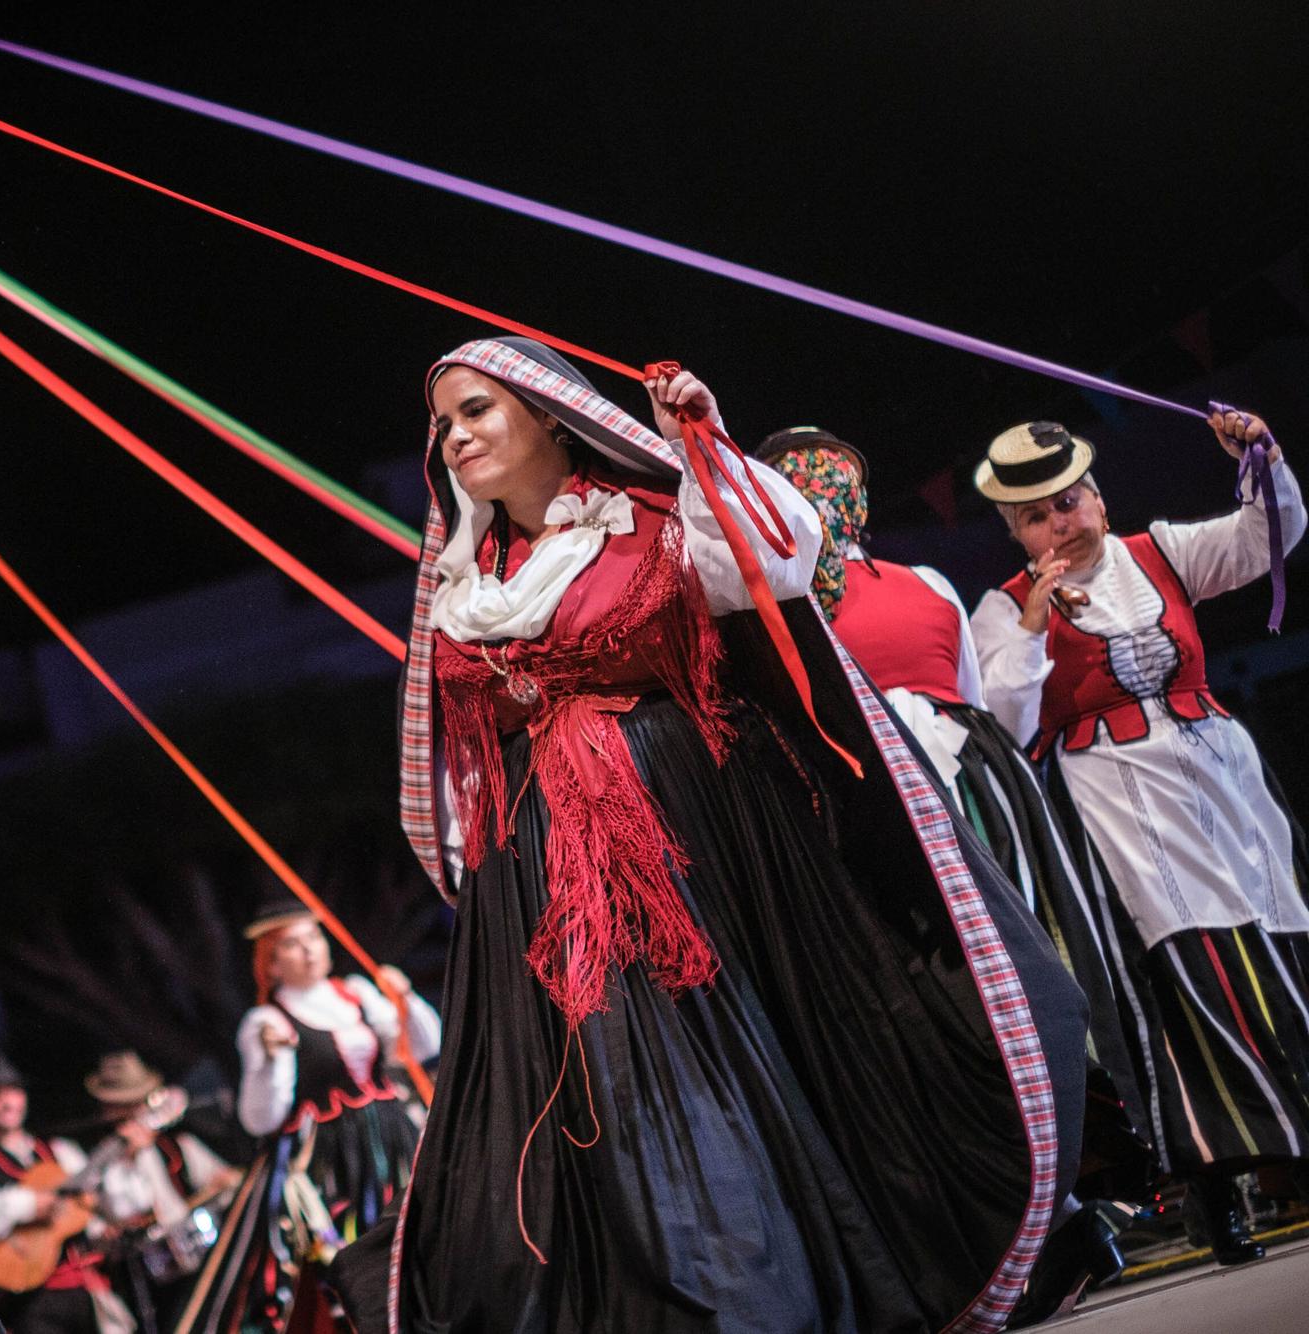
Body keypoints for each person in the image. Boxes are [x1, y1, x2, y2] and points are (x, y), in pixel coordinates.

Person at [331, 336, 1093, 1332]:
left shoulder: (649, 522)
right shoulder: (465, 578)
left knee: (738, 1055)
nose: (453, 434)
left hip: (699, 844)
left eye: (475, 409)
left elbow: (777, 560)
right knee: (608, 1085)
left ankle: (766, 1289)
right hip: (547, 873)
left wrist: (699, 446)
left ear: (549, 411)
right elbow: (447, 753)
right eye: (442, 421)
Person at [758, 428, 1153, 1213]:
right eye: (800, 484)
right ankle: (1010, 1193)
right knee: (949, 993)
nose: (825, 497)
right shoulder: (777, 611)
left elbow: (984, 705)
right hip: (876, 805)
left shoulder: (928, 584)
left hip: (975, 794)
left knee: (1042, 967)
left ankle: (1094, 1168)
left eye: (837, 479)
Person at [970, 414, 1309, 1265]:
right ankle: (1214, 1188)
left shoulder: (1158, 553)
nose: (1063, 523)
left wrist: (1258, 460)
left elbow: (1270, 533)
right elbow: (1005, 721)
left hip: (1224, 789)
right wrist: (1036, 624)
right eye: (1040, 516)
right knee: (1179, 988)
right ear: (1016, 530)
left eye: (1071, 502)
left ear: (1098, 497)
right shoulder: (1005, 608)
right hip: (1118, 814)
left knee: (1278, 949)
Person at [182, 902, 439, 1331]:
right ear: (272, 965)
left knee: (420, 1232)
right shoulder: (265, 1020)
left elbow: (423, 1047)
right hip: (331, 1159)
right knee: (356, 1249)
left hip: (391, 1137)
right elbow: (260, 1119)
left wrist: (404, 998)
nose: (309, 950)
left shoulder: (355, 993)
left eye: (313, 937)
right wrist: (271, 1059)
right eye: (291, 944)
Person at [0, 1054, 135, 1334]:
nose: (8, 1101)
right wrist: (26, 1205)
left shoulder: (61, 1152)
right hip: (29, 1305)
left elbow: (108, 1209)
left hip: (86, 1291)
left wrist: (129, 1156)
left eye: (14, 1091)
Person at [86, 1052, 238, 1333]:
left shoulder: (177, 1146)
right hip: (143, 1278)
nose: (132, 1115)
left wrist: (223, 1182)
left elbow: (225, 1185)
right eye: (121, 1107)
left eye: (135, 1105)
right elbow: (110, 1214)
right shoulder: (100, 1165)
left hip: (201, 1261)